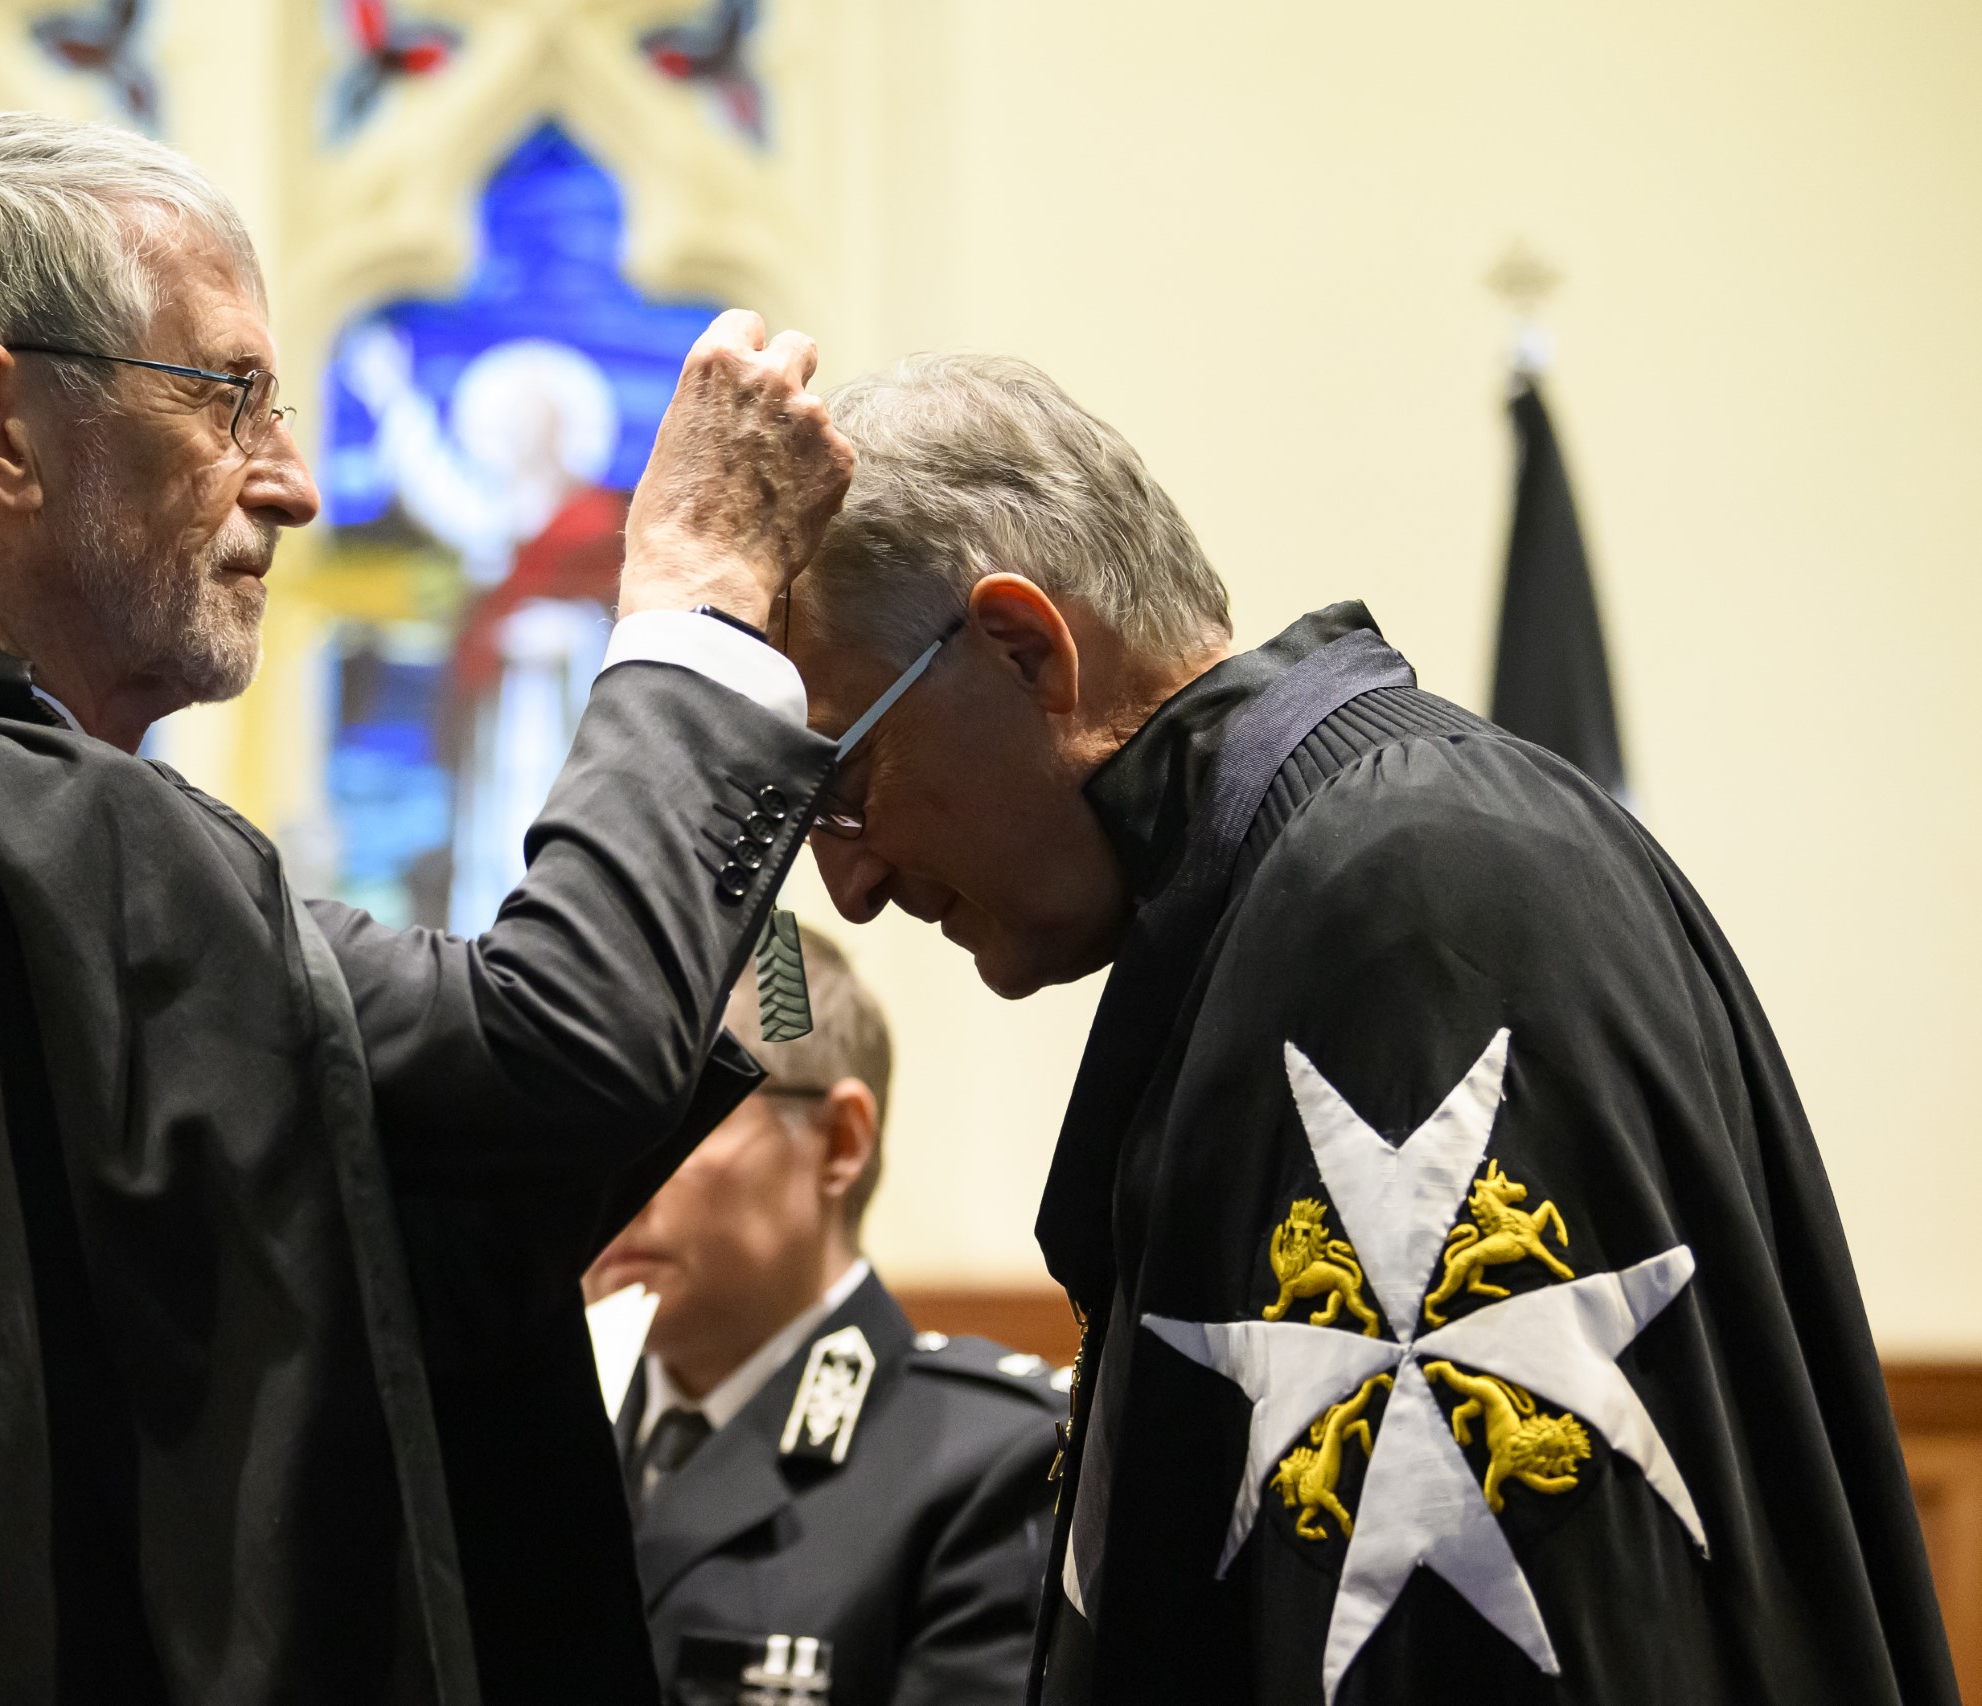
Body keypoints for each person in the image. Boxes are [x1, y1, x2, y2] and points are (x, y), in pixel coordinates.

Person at [0, 113, 853, 1706]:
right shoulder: (9, 827)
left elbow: (426, 1210)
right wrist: (694, 599)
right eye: (227, 395)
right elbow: (553, 1053)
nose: (297, 480)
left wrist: (740, 855)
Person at [778, 352, 1955, 1704]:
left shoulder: (1409, 902)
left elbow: (1514, 1639)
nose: (849, 882)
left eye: (843, 782)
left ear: (1026, 646)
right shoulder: (1291, 897)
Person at [585, 928, 1068, 1706]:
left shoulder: (995, 1464)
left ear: (838, 1143)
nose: (609, 1181)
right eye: (585, 1130)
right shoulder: (537, 1444)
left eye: (672, 1121)